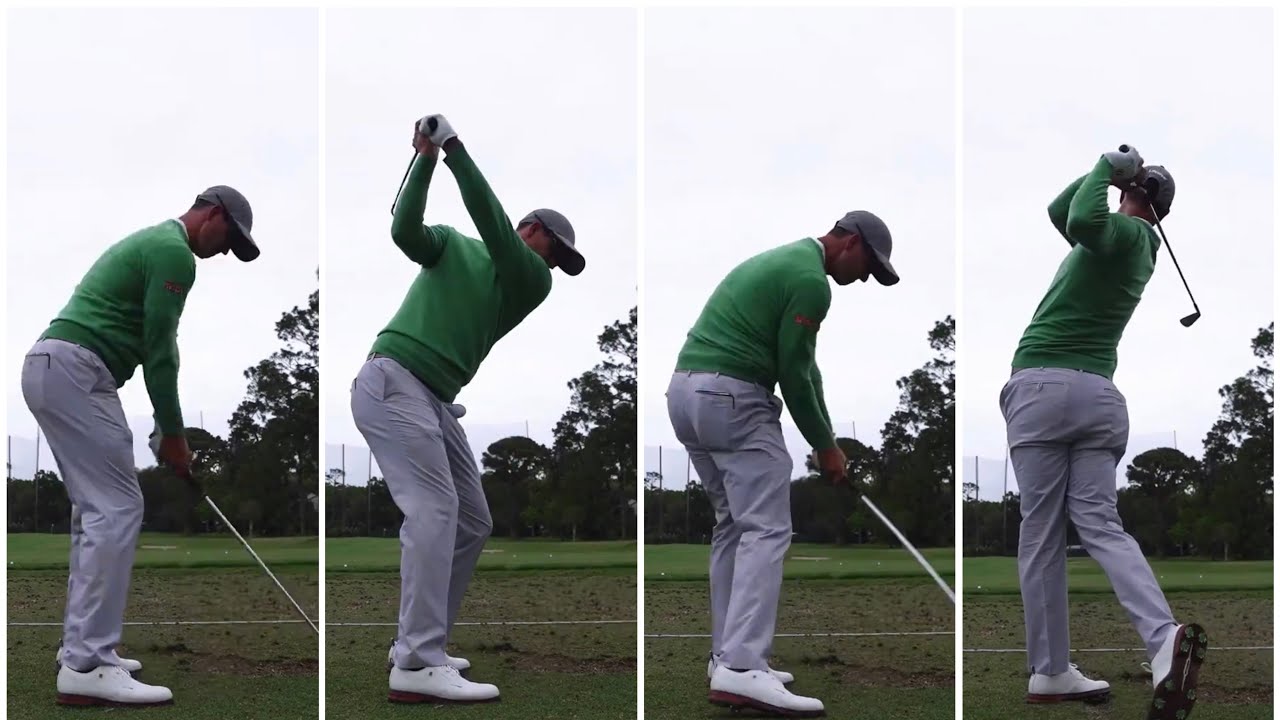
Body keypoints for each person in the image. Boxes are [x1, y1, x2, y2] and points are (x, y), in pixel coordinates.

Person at [354, 114, 585, 704]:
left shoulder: (530, 279)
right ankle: (417, 660)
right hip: (394, 380)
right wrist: (426, 156)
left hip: (430, 398)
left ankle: (420, 641)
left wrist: (454, 148)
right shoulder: (454, 246)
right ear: (530, 228)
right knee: (434, 510)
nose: (556, 261)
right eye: (554, 248)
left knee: (472, 520)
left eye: (561, 257)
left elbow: (489, 222)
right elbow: (404, 230)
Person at [26, 186, 260, 707]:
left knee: (97, 512)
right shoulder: (174, 250)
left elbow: (152, 346)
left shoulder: (156, 243)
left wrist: (162, 428)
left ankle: (80, 650)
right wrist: (173, 432)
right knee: (117, 507)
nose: (224, 251)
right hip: (75, 368)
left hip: (56, 367)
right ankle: (88, 662)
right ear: (213, 213)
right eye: (229, 238)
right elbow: (161, 347)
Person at [1001, 146, 1207, 720]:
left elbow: (1083, 217)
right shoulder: (1126, 242)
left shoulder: (1126, 234)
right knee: (1099, 523)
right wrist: (1110, 173)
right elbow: (1060, 211)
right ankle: (1159, 640)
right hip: (1097, 399)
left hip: (1044, 389)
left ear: (1135, 196)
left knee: (1041, 532)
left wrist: (1106, 163)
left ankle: (1050, 669)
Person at [666, 212, 898, 717]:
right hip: (732, 396)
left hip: (686, 394)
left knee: (733, 524)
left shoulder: (786, 260)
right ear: (850, 242)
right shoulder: (812, 282)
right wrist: (825, 446)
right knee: (767, 530)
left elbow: (806, 369)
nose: (863, 278)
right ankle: (743, 666)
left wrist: (827, 439)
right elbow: (791, 373)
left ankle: (726, 658)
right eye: (868, 266)